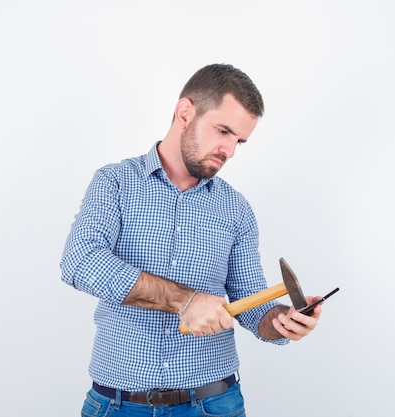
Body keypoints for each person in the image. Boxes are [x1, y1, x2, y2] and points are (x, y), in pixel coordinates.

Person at [60, 63, 323, 416]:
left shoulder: (236, 209)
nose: (229, 150)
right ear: (185, 113)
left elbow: (252, 302)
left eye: (238, 141)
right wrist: (186, 301)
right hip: (118, 405)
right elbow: (80, 261)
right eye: (223, 131)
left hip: (212, 404)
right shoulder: (115, 183)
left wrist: (282, 322)